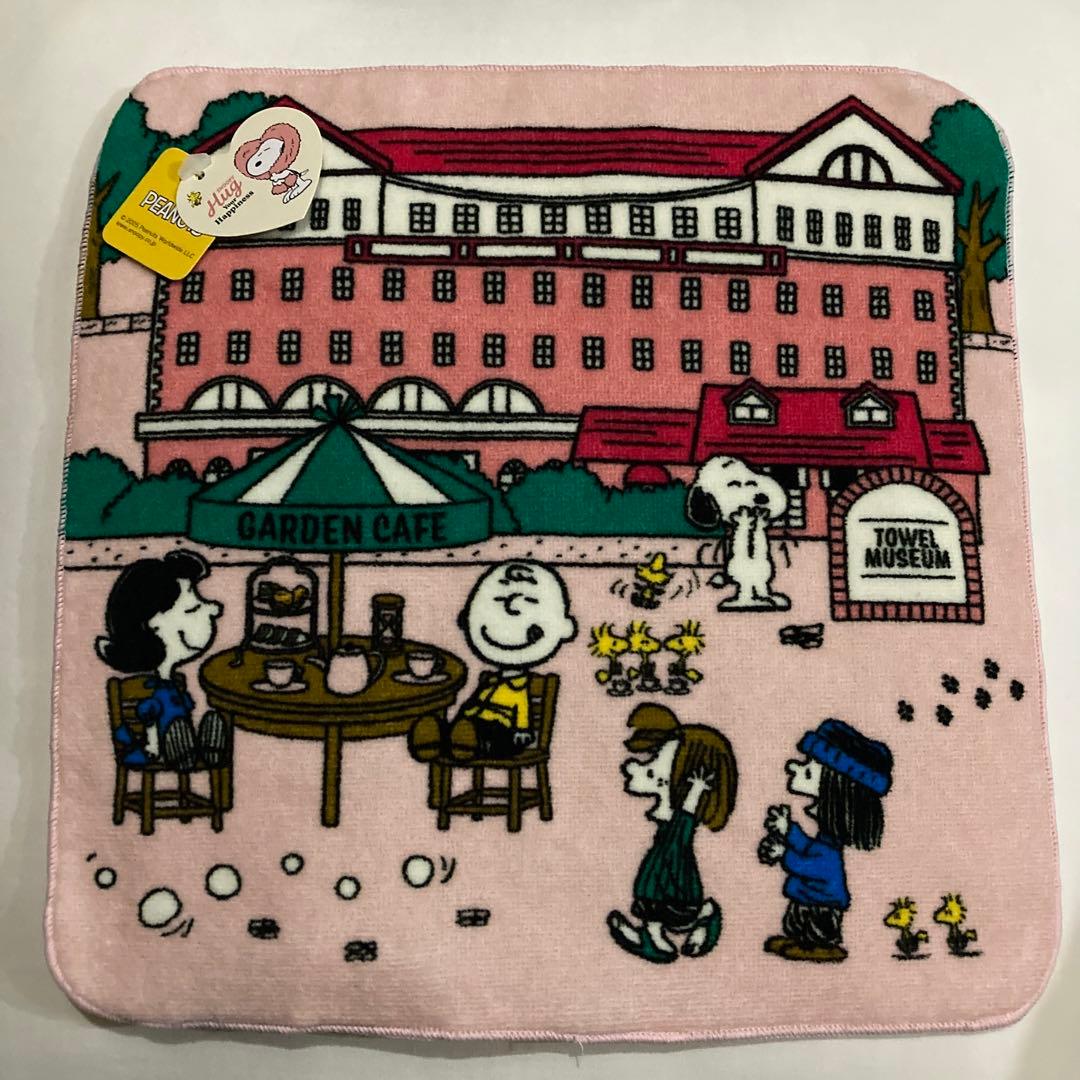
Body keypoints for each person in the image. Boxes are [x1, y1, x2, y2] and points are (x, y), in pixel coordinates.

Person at [607, 704, 738, 964]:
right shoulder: (668, 822)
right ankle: (658, 933)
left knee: (670, 913)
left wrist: (696, 791)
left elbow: (687, 815)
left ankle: (692, 922)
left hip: (673, 885)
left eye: (651, 771)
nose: (630, 768)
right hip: (661, 881)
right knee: (656, 910)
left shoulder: (680, 823)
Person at [408, 561, 576, 762]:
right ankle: (437, 741)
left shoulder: (518, 687)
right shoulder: (490, 681)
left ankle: (463, 742)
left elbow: (522, 710)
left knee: (482, 736)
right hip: (474, 723)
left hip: (504, 733)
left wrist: (522, 730)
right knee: (458, 728)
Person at [758, 718, 893, 962]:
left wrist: (783, 854)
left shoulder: (830, 850)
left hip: (823, 903)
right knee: (797, 920)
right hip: (807, 896)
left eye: (808, 771)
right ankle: (799, 941)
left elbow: (813, 866)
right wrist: (788, 829)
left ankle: (818, 946)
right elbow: (807, 847)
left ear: (834, 791)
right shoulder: (824, 840)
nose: (792, 766)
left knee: (817, 927)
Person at [96, 549, 228, 771]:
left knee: (209, 719)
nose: (209, 613)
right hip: (158, 748)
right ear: (155, 625)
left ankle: (202, 748)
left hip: (181, 734)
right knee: (176, 729)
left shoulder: (173, 684)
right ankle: (180, 751)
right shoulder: (154, 692)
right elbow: (148, 715)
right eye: (192, 609)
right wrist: (150, 724)